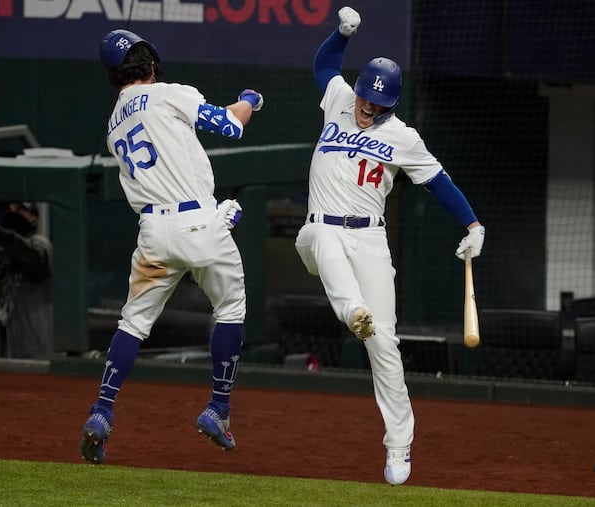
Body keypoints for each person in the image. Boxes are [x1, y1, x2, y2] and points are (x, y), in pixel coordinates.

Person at [294, 6, 485, 485]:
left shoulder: (403, 136)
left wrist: (473, 224)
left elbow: (439, 182)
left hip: (369, 237)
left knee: (384, 344)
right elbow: (323, 66)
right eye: (366, 99)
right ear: (358, 90)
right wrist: (341, 33)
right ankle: (352, 308)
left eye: (379, 105)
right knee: (321, 240)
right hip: (321, 230)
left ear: (391, 106)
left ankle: (399, 446)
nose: (368, 107)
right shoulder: (339, 99)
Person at [79, 29, 263, 465]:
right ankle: (218, 407)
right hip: (198, 223)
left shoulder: (113, 125)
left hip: (153, 232)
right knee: (231, 310)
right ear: (151, 63)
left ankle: (101, 411)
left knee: (133, 323)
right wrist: (250, 100)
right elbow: (229, 125)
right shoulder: (168, 93)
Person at [0, 201, 53, 359]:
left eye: (19, 209)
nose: (13, 213)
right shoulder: (8, 259)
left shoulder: (40, 244)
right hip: (13, 350)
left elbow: (31, 255)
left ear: (33, 218)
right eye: (11, 209)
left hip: (39, 349)